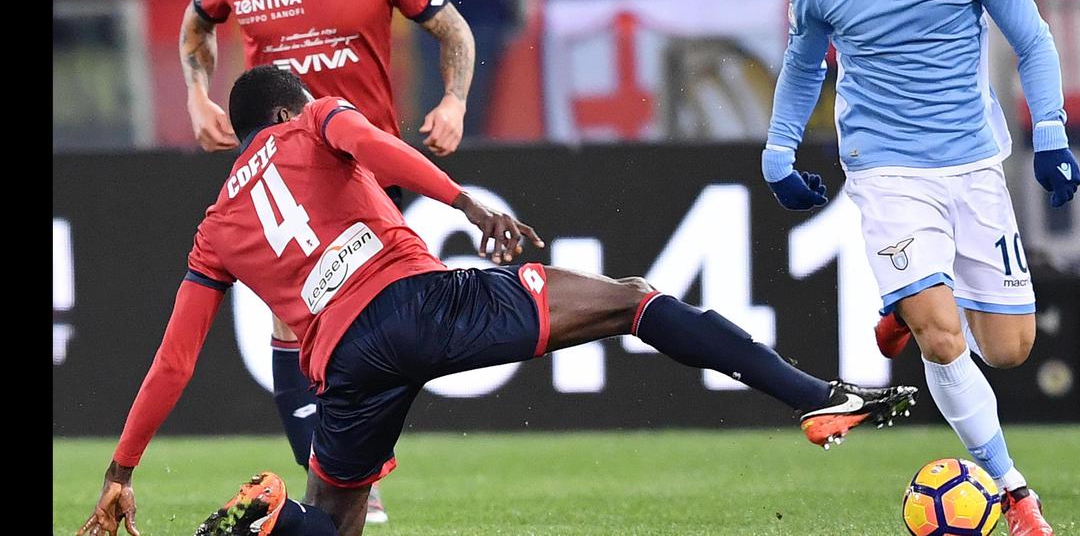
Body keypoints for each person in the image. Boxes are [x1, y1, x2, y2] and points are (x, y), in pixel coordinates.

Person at [79, 66, 918, 536]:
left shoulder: (216, 225)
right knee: (629, 300)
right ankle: (812, 399)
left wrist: (121, 469)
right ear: (288, 107)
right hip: (418, 302)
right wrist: (465, 204)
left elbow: (174, 359)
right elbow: (372, 143)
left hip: (344, 363)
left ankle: (262, 524)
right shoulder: (315, 119)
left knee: (327, 526)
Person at [759, 0, 1080, 535]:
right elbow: (804, 64)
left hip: (972, 168)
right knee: (942, 341)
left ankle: (906, 304)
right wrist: (777, 154)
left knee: (1009, 349)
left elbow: (1030, 38)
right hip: (886, 173)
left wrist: (1051, 131)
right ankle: (1014, 492)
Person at [179, 0, 477, 520]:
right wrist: (197, 94)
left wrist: (456, 101)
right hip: (284, 174)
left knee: (377, 328)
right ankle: (337, 481)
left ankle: (344, 475)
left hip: (365, 167)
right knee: (296, 326)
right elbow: (198, 29)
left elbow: (453, 28)